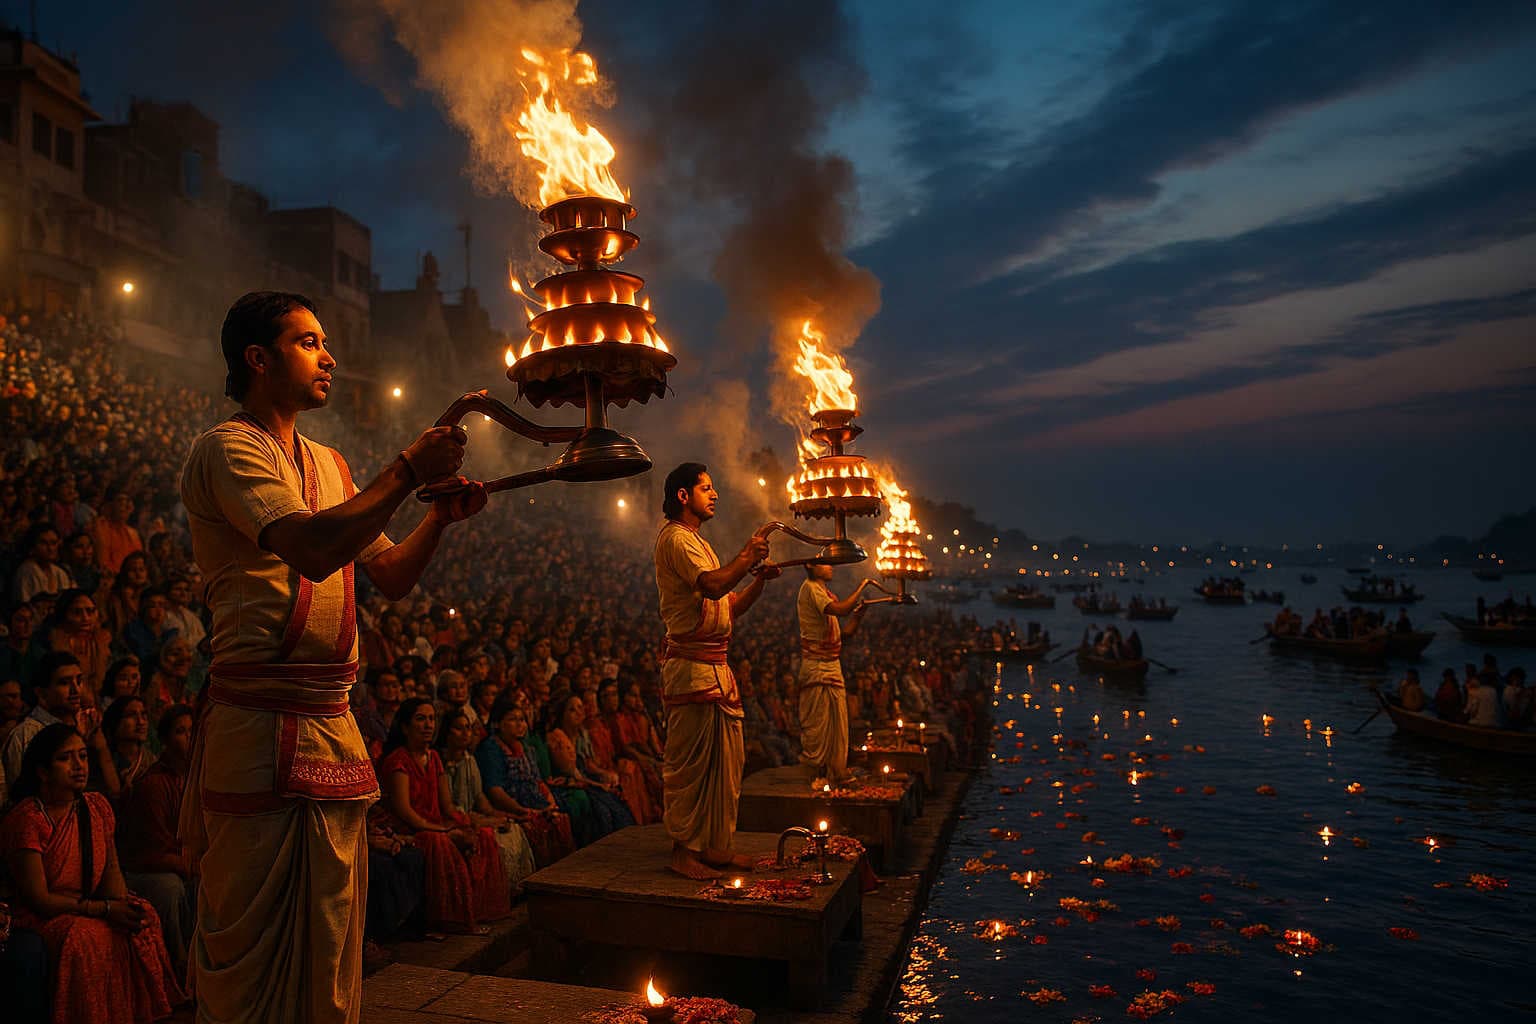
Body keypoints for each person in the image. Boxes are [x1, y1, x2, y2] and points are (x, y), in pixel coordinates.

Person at [176, 291, 485, 1023]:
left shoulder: (329, 463)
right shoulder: (228, 447)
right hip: (257, 726)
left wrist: (436, 515)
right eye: (309, 341)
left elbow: (390, 575)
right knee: (251, 941)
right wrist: (409, 470)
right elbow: (313, 550)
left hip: (330, 722)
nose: (330, 356)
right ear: (258, 358)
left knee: (332, 927)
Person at [0, 723, 184, 1022]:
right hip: (42, 916)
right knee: (84, 937)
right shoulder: (28, 819)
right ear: (42, 771)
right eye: (66, 758)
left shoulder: (96, 807)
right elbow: (39, 899)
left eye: (83, 757)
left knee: (143, 916)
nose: (79, 766)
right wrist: (104, 909)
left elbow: (112, 879)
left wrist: (121, 906)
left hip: (90, 905)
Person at [652, 463, 779, 880]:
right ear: (683, 496)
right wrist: (745, 557)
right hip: (691, 670)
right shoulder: (675, 538)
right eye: (707, 487)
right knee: (690, 767)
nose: (716, 494)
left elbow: (726, 605)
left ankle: (715, 848)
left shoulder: (699, 543)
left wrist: (756, 580)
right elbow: (711, 586)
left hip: (717, 670)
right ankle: (682, 851)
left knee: (725, 765)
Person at [375, 699, 509, 933]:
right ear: (405, 727)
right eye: (420, 719)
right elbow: (404, 811)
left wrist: (466, 823)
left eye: (431, 719)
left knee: (483, 835)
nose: (428, 725)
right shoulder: (398, 760)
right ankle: (452, 920)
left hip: (434, 824)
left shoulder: (434, 757)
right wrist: (443, 830)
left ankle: (478, 911)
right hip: (410, 829)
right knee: (439, 843)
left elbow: (446, 806)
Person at [435, 705, 536, 892]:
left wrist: (502, 815)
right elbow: (448, 808)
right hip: (450, 819)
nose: (466, 733)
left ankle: (515, 891)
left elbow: (480, 798)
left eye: (468, 728)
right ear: (446, 733)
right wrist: (485, 820)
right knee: (489, 837)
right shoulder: (438, 761)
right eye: (459, 728)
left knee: (513, 829)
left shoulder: (469, 760)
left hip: (471, 815)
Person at [795, 564, 874, 789]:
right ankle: (816, 775)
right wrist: (862, 586)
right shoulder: (810, 588)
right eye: (825, 563)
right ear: (810, 565)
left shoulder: (826, 593)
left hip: (832, 666)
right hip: (817, 667)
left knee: (838, 725)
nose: (831, 567)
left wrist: (858, 617)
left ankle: (837, 772)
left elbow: (844, 633)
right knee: (818, 727)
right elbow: (840, 610)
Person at [476, 701, 575, 866]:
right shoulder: (491, 749)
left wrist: (550, 802)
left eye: (521, 719)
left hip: (535, 802)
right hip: (512, 806)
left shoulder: (526, 748)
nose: (520, 724)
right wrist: (522, 810)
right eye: (513, 719)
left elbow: (538, 781)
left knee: (560, 819)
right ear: (498, 724)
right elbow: (495, 790)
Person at [11, 523, 74, 603]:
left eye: (53, 543)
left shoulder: (60, 572)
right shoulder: (27, 572)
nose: (50, 548)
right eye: (43, 543)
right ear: (33, 546)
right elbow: (23, 604)